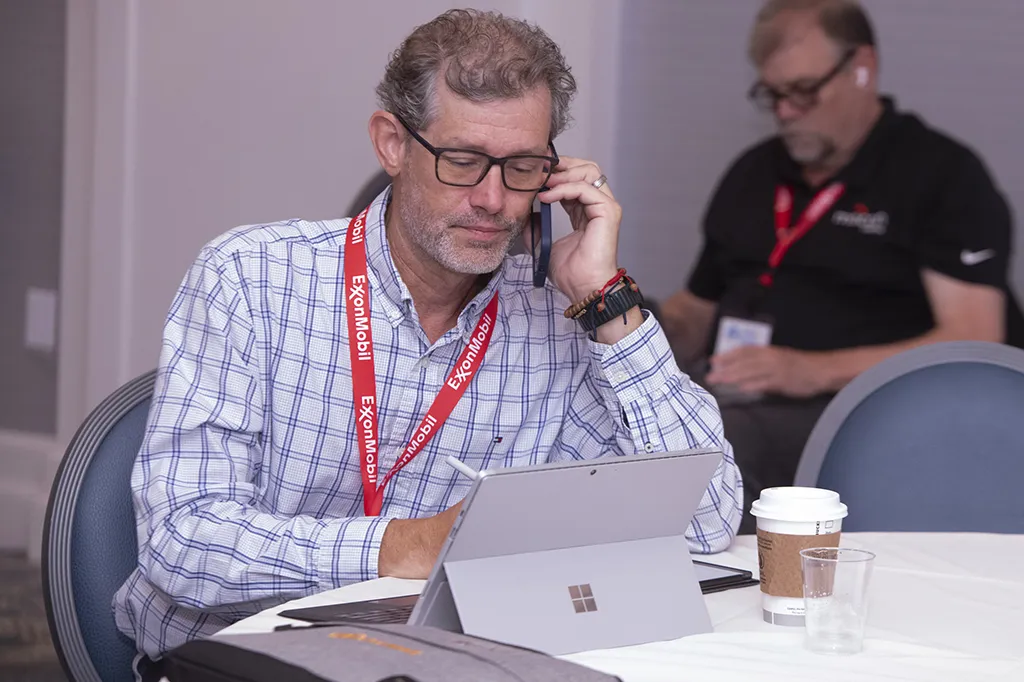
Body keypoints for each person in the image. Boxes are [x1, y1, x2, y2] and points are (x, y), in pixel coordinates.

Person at [112, 8, 742, 676]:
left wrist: (606, 301)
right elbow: (183, 541)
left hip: (454, 657)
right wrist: (406, 546)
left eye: (523, 166)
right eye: (464, 161)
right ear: (392, 143)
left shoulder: (555, 316)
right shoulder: (252, 278)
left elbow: (705, 521)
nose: (495, 200)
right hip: (238, 655)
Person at [659, 0, 1022, 533]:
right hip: (737, 391)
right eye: (773, 94)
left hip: (861, 411)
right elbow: (696, 311)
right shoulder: (753, 174)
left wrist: (808, 371)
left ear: (862, 68)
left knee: (718, 450)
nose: (784, 112)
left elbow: (972, 341)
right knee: (637, 435)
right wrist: (627, 328)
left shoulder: (940, 176)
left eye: (803, 91)